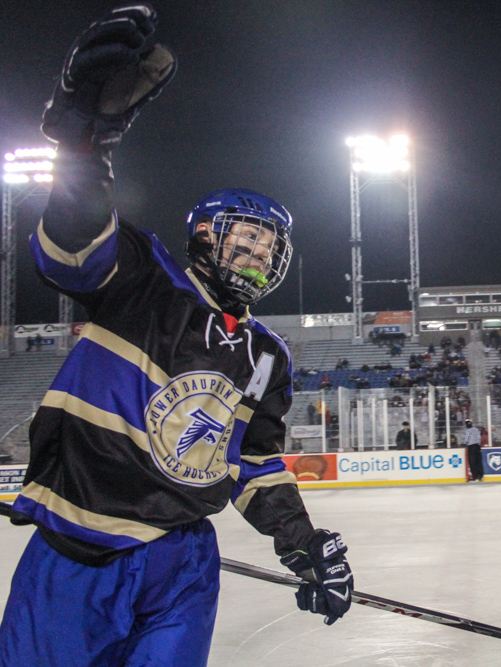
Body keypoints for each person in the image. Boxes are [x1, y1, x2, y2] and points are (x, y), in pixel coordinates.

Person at [0, 6, 352, 665]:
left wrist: (300, 542)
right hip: (78, 551)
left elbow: (253, 460)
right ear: (203, 236)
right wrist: (83, 147)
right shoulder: (142, 275)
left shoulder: (266, 358)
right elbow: (69, 247)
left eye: (267, 241)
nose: (256, 249)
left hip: (182, 560)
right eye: (244, 233)